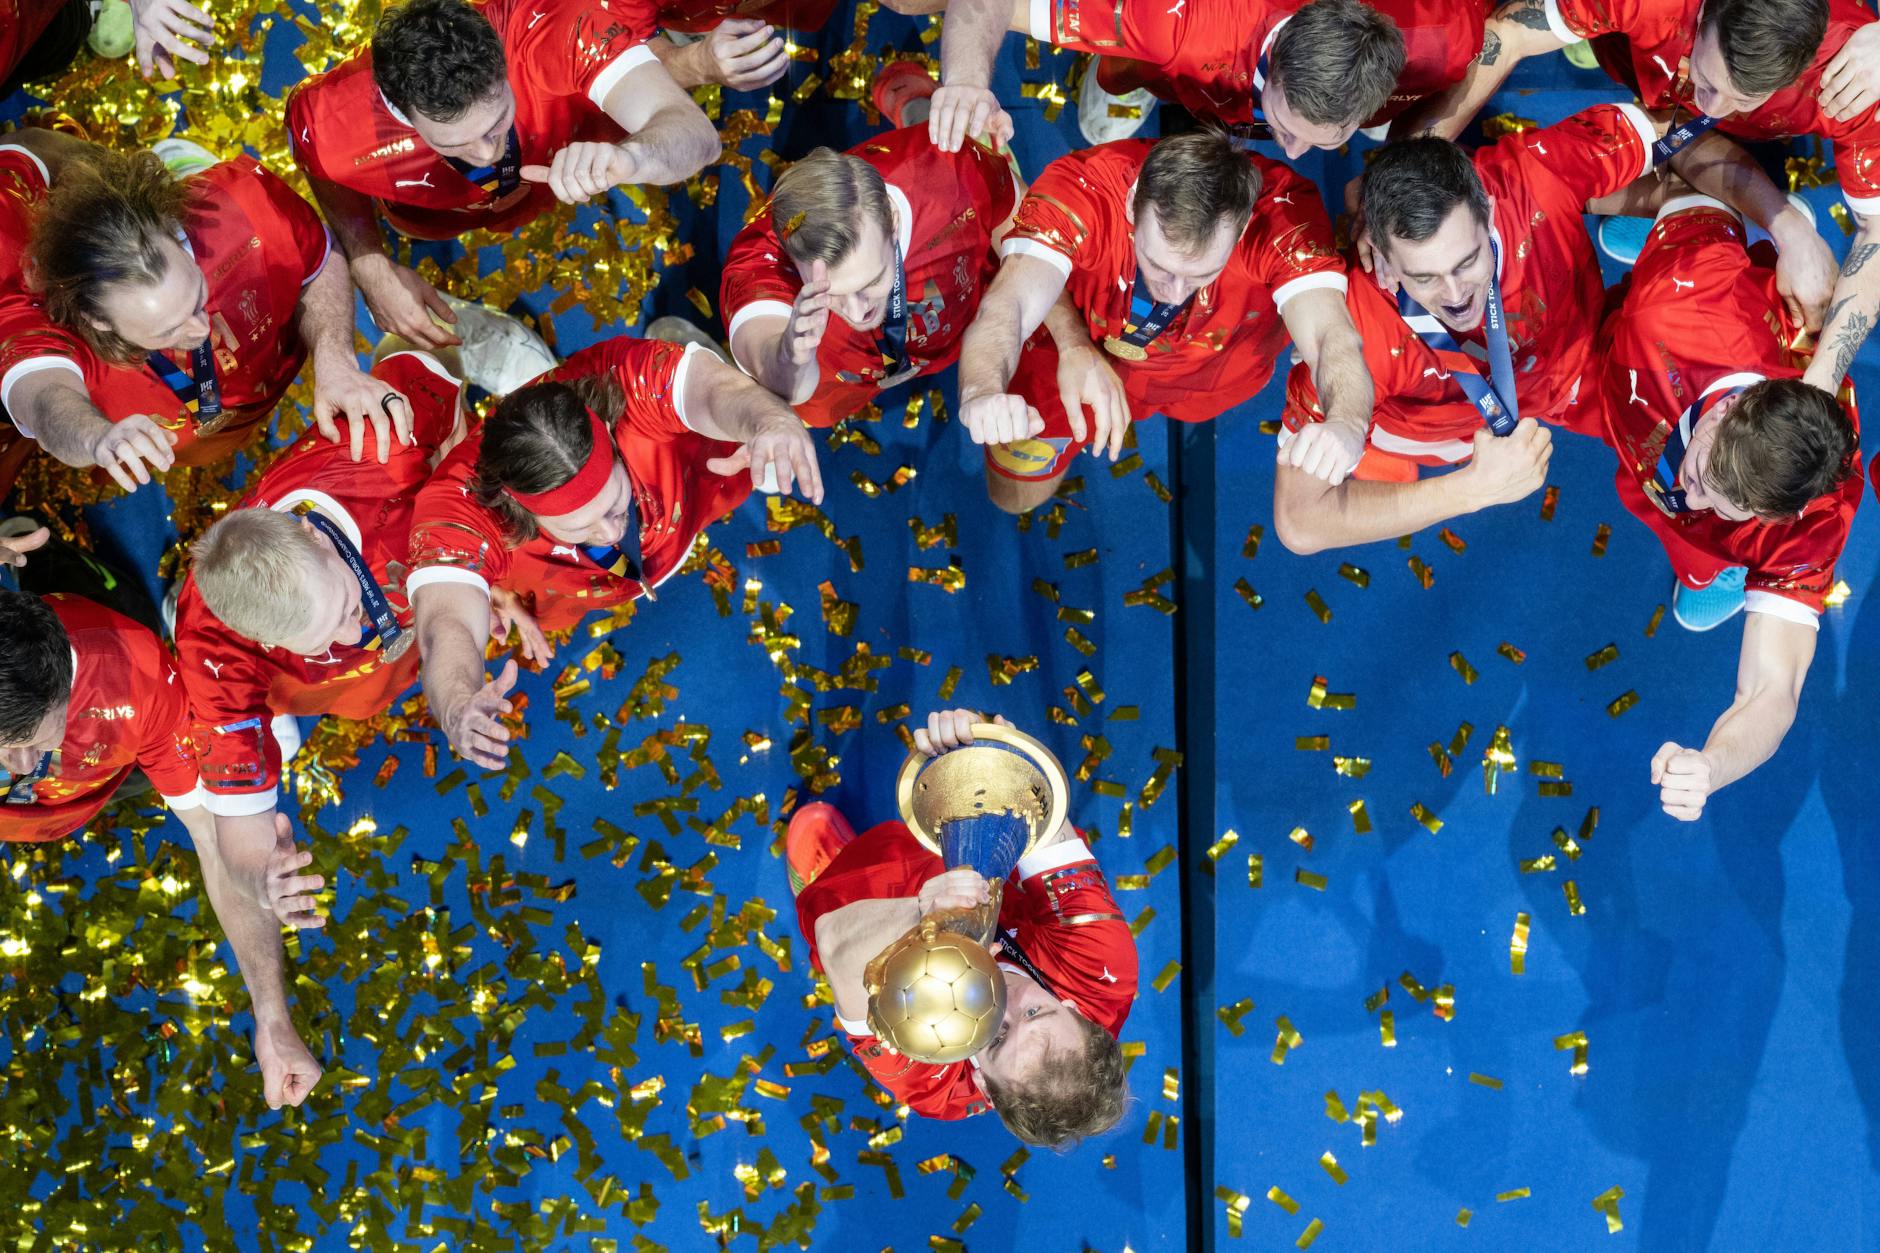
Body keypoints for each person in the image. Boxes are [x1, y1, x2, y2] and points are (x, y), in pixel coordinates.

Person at [1403, 0, 1880, 384]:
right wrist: (1402, 173)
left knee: (1689, 131)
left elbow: (1875, 231)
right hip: (1637, 41)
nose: (1711, 107)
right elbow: (1507, 36)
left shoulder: (1852, 78)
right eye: (1708, 78)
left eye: (1746, 97)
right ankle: (1590, 31)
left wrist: (1821, 377)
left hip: (1699, 98)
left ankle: (1689, 201)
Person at [407, 334, 823, 770]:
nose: (610, 532)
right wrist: (456, 704)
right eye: (579, 527)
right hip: (562, 587)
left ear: (607, 431)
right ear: (514, 510)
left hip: (688, 491)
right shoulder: (461, 504)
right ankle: (504, 356)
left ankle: (677, 340)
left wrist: (767, 420)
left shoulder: (624, 380)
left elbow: (715, 391)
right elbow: (445, 622)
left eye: (614, 500)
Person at [1274, 105, 1670, 552]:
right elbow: (1300, 521)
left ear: (1489, 210)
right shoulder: (1355, 321)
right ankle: (1377, 456)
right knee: (1370, 459)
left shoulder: (1531, 177)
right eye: (1423, 277)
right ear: (1382, 258)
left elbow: (1678, 127)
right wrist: (1471, 490)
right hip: (1432, 431)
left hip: (1574, 364)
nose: (1456, 294)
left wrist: (1687, 207)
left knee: (1696, 452)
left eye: (1467, 261)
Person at [0, 590, 324, 1109]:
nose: (19, 767)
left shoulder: (135, 677)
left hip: (107, 769)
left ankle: (203, 651)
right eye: (3, 745)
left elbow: (214, 842)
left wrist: (273, 1016)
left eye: (40, 742)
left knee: (192, 755)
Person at [1596, 196, 1863, 821]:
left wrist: (1714, 765)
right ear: (1720, 414)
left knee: (1689, 534)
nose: (1691, 496)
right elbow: (1700, 190)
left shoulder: (1814, 522)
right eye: (1701, 475)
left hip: (1675, 452)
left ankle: (1706, 563)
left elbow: (1773, 691)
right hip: (1623, 373)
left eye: (1728, 505)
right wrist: (1782, 223)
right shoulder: (1683, 298)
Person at [956, 128, 1371, 514]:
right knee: (1014, 497)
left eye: (1201, 274)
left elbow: (1330, 336)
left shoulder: (1282, 216)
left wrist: (1348, 423)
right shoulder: (1084, 191)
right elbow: (1008, 307)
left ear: (1242, 226)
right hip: (1079, 347)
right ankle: (962, 138)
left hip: (1209, 371)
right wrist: (982, 389)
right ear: (1132, 201)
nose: (1174, 292)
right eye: (1159, 267)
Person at [284, 0, 719, 352]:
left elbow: (699, 137)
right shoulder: (333, 123)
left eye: (497, 123)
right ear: (400, 110)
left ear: (504, 65)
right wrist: (371, 267)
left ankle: (649, 52)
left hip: (564, 157)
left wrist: (630, 158)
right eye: (453, 145)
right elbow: (318, 164)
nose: (487, 153)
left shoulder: (553, 26)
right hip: (432, 218)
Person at [789, 709, 1137, 1145]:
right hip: (994, 873)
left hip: (896, 925)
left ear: (986, 1085)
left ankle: (832, 872)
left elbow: (836, 942)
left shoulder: (933, 1085)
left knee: (838, 914)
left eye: (998, 1039)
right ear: (1076, 1011)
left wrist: (919, 912)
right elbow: (1037, 811)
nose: (1003, 1003)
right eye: (1034, 1011)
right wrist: (984, 753)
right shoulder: (1103, 969)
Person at [0, 130, 405, 495]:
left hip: (273, 357)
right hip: (199, 434)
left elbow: (318, 256)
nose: (200, 328)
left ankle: (183, 165)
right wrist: (99, 440)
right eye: (167, 330)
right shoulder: (39, 327)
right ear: (98, 320)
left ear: (171, 228)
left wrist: (336, 359)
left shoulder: (242, 204)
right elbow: (46, 402)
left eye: (196, 296)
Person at [720, 124, 1026, 428]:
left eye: (871, 282)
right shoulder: (756, 263)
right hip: (839, 386)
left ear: (893, 222)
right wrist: (789, 356)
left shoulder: (951, 173)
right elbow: (779, 377)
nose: (857, 311)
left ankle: (908, 95)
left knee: (946, 131)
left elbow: (1019, 218)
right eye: (830, 293)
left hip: (962, 320)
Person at [929, 0, 1480, 153]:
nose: (1291, 156)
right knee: (1126, 85)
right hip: (1170, 52)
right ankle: (1132, 76)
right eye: (1288, 130)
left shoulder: (1451, 37)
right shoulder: (1178, 22)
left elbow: (1479, 63)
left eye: (1321, 139)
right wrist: (967, 80)